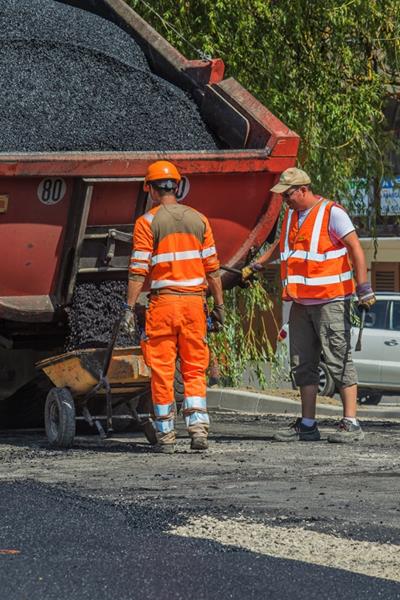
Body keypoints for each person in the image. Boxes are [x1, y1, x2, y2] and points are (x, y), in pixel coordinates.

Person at [242, 167, 375, 443]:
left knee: (338, 360)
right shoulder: (291, 215)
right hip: (300, 304)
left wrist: (364, 289)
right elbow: (282, 245)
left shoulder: (332, 213)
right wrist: (259, 263)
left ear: (303, 190)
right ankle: (307, 424)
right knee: (302, 364)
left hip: (331, 301)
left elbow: (355, 249)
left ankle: (351, 423)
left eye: (288, 195)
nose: (285, 201)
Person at [123, 160, 224, 453]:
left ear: (150, 189)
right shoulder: (199, 220)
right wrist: (219, 306)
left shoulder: (147, 222)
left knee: (162, 371)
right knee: (194, 369)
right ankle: (198, 431)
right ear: (177, 187)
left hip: (164, 305)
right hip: (195, 305)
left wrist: (129, 308)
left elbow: (138, 270)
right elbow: (213, 270)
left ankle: (166, 436)